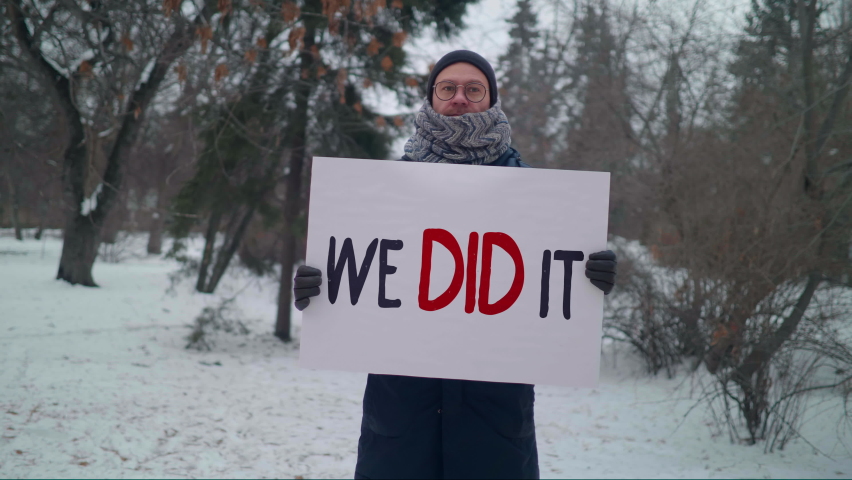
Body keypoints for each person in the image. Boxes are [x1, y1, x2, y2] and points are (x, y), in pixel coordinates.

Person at [293, 50, 617, 479]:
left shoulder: (535, 195)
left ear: (491, 100)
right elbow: (359, 275)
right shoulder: (382, 193)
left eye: (473, 89)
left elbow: (554, 287)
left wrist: (590, 276)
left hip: (495, 423)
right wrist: (318, 285)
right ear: (431, 98)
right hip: (400, 419)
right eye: (447, 88)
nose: (460, 98)